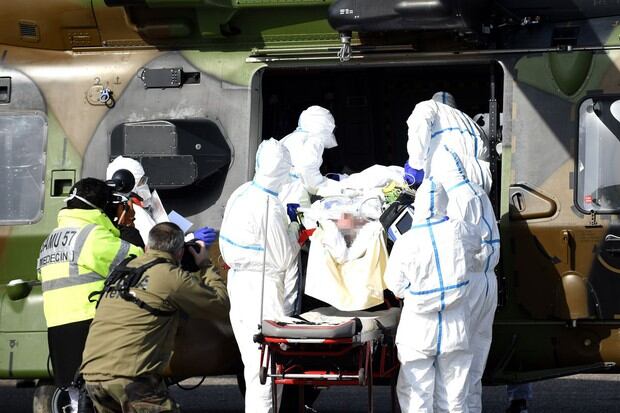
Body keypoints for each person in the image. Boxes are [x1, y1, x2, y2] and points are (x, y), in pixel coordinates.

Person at [80, 222, 229, 413]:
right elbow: (220, 306)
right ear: (180, 253)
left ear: (147, 247)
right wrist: (205, 265)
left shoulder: (123, 270)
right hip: (129, 377)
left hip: (92, 376)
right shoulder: (171, 277)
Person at [37, 178, 144, 412]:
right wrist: (127, 228)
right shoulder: (91, 236)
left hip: (58, 323)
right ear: (101, 206)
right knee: (101, 391)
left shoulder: (53, 237)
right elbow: (138, 258)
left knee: (75, 393)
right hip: (90, 322)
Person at [385, 178, 483, 413]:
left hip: (418, 328)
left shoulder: (406, 241)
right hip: (455, 326)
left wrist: (413, 293)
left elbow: (395, 284)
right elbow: (478, 243)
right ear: (444, 202)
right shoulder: (459, 230)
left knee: (416, 394)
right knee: (454, 395)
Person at [219, 138, 300, 413]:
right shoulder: (269, 204)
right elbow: (282, 257)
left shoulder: (242, 192)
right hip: (262, 291)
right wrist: (294, 230)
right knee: (266, 370)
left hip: (241, 287)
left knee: (254, 366)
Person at [430, 145, 500, 413]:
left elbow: (458, 244)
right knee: (475, 362)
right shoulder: (476, 191)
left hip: (468, 282)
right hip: (486, 282)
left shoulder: (456, 198)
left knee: (455, 361)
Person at [106, 155, 218, 249]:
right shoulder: (135, 214)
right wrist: (192, 239)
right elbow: (158, 248)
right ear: (130, 184)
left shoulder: (118, 209)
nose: (144, 185)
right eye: (141, 181)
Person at [405, 91, 492, 193]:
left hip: (448, 174)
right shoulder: (472, 123)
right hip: (480, 180)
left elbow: (420, 129)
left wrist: (415, 165)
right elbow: (486, 154)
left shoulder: (429, 106)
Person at [279, 105, 338, 208]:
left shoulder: (291, 138)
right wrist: (332, 187)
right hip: (294, 195)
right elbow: (307, 170)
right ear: (324, 126)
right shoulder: (314, 140)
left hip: (280, 192)